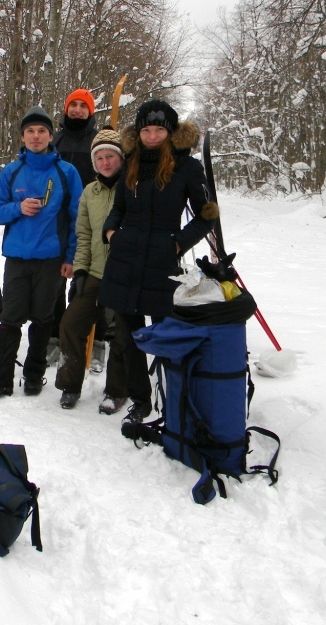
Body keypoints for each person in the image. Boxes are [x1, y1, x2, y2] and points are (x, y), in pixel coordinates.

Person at [99, 100, 218, 427]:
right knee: (130, 337)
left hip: (162, 262)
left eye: (159, 130)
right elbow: (118, 207)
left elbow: (207, 216)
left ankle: (172, 395)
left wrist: (178, 242)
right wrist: (110, 231)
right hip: (124, 259)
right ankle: (141, 399)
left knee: (166, 334)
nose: (152, 136)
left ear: (170, 131)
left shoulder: (187, 167)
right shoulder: (130, 162)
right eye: (146, 130)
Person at [0, 106, 83, 402]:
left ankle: (34, 375)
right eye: (30, 132)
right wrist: (18, 208)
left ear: (51, 136)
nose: (36, 136)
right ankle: (0, 381)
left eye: (42, 131)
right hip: (17, 258)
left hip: (51, 259)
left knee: (42, 319)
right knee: (10, 319)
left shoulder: (66, 172)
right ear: (22, 137)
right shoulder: (12, 172)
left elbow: (77, 218)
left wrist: (71, 257)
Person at [55, 128, 127, 412]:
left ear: (120, 158)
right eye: (99, 158)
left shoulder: (132, 189)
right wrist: (81, 272)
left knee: (122, 333)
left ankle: (117, 390)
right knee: (71, 324)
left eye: (110, 156)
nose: (105, 163)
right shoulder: (90, 192)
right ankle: (70, 385)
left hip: (124, 276)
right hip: (95, 273)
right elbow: (83, 235)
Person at [48, 89, 100, 351]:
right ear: (66, 108)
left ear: (90, 111)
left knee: (83, 281)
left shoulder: (97, 142)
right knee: (55, 280)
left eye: (83, 105)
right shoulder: (54, 141)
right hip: (56, 222)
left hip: (89, 221)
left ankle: (82, 336)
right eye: (73, 105)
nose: (77, 110)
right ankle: (54, 334)